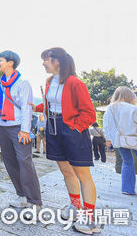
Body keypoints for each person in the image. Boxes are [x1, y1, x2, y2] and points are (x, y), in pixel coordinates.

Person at [32, 47, 97, 234]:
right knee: (66, 170)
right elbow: (50, 104)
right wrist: (35, 106)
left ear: (57, 61)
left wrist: (74, 128)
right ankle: (76, 207)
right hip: (53, 128)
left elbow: (90, 113)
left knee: (82, 173)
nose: (44, 63)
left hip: (72, 129)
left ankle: (90, 219)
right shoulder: (49, 81)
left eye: (46, 59)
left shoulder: (75, 83)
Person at [0, 50, 42, 211]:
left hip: (19, 127)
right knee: (10, 162)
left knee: (24, 162)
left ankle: (35, 201)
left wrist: (25, 130)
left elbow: (27, 108)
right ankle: (21, 195)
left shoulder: (23, 82)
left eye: (1, 60)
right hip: (3, 126)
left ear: (11, 63)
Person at [103, 86, 137, 195]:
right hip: (134, 139)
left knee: (127, 162)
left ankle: (127, 189)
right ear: (130, 96)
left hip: (119, 141)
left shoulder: (110, 108)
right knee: (128, 162)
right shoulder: (133, 108)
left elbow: (106, 126)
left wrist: (108, 139)